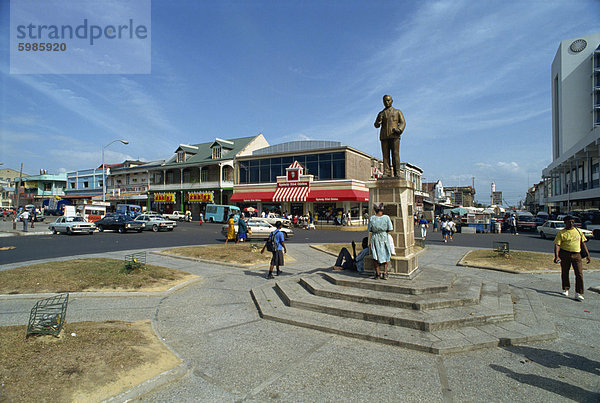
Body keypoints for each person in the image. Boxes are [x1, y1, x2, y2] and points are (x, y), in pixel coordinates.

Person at [553, 215, 590, 301]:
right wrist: (556, 256)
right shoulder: (561, 233)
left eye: (573, 222)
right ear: (565, 222)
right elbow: (557, 245)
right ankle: (565, 289)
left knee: (579, 273)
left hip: (577, 255)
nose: (571, 223)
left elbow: (583, 243)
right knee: (565, 272)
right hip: (565, 254)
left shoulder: (578, 231)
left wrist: (587, 255)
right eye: (569, 222)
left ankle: (579, 293)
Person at [374, 94, 406, 177]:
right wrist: (378, 122)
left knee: (395, 154)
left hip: (394, 135)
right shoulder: (381, 113)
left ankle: (397, 172)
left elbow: (403, 122)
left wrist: (399, 130)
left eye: (388, 100)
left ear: (392, 101)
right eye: (385, 101)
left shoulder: (397, 112)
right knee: (385, 156)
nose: (386, 102)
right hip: (384, 136)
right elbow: (376, 125)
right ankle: (387, 172)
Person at [368, 203, 393, 280]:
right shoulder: (386, 218)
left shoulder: (372, 218)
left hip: (375, 237)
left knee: (375, 254)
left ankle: (377, 273)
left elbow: (370, 229)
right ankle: (385, 273)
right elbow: (390, 228)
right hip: (384, 236)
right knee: (386, 253)